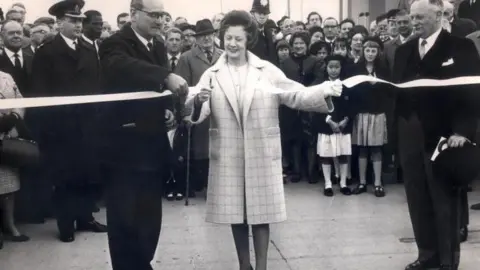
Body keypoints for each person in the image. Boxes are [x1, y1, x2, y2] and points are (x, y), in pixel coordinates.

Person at [186, 10, 341, 270]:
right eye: (227, 38)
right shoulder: (212, 74)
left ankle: (262, 267)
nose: (232, 44)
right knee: (235, 213)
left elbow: (294, 95)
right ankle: (244, 265)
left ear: (248, 41)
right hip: (228, 151)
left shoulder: (266, 70)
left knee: (261, 213)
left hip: (261, 150)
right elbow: (197, 113)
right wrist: (197, 103)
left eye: (238, 39)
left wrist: (324, 91)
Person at [97, 0, 188, 269]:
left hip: (152, 146)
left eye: (162, 15)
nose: (159, 20)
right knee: (124, 216)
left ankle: (142, 261)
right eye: (153, 15)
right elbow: (124, 67)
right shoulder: (115, 43)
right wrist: (165, 75)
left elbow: (155, 93)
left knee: (150, 217)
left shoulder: (157, 44)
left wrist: (167, 108)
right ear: (134, 15)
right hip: (123, 147)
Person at [392, 1, 480, 269]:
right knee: (416, 195)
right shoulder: (404, 50)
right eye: (412, 17)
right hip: (409, 131)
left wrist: (463, 132)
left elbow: (472, 93)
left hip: (445, 134)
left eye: (420, 17)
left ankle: (447, 260)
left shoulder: (460, 47)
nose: (414, 21)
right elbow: (397, 93)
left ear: (439, 15)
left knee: (444, 198)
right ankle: (426, 254)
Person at [30, 0, 107, 243]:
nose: (78, 24)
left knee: (86, 173)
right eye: (73, 20)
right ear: (60, 22)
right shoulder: (46, 52)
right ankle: (66, 224)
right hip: (60, 129)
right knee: (64, 177)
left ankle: (85, 217)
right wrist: (48, 131)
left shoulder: (88, 49)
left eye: (80, 20)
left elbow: (97, 87)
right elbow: (39, 95)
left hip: (87, 126)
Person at [313, 55, 353, 196]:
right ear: (326, 68)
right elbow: (318, 106)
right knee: (326, 154)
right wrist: (329, 121)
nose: (334, 70)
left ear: (341, 68)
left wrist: (345, 120)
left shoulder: (346, 86)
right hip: (326, 125)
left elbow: (350, 106)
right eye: (331, 67)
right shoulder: (321, 85)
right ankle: (328, 184)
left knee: (342, 154)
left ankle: (343, 183)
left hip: (342, 125)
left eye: (337, 67)